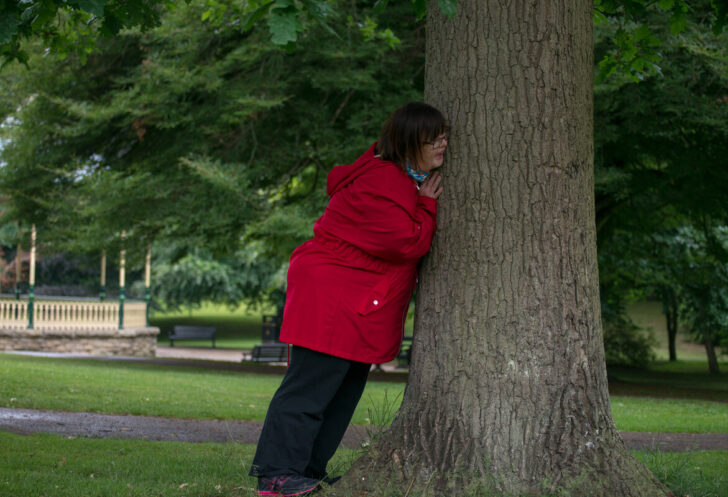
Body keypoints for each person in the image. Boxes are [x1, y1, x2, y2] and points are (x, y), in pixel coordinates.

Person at [249, 102, 448, 496]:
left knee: (341, 394)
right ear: (409, 142)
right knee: (309, 389)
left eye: (444, 136)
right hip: (332, 299)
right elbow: (405, 242)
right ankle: (275, 474)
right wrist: (426, 204)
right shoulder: (383, 181)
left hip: (354, 302)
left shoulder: (400, 177)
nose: (443, 144)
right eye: (433, 138)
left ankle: (305, 470)